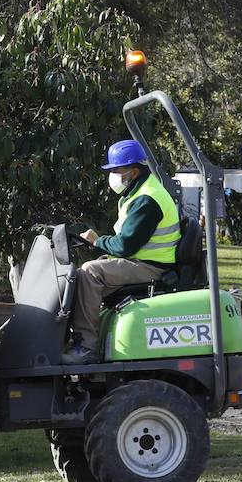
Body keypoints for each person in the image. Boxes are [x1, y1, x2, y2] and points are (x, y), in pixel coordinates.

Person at [62, 138, 182, 364]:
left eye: (117, 170)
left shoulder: (147, 199)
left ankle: (86, 348)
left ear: (134, 172)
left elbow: (125, 245)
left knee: (90, 273)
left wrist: (98, 241)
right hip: (142, 261)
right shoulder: (139, 193)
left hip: (152, 267)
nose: (113, 174)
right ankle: (72, 339)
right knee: (79, 276)